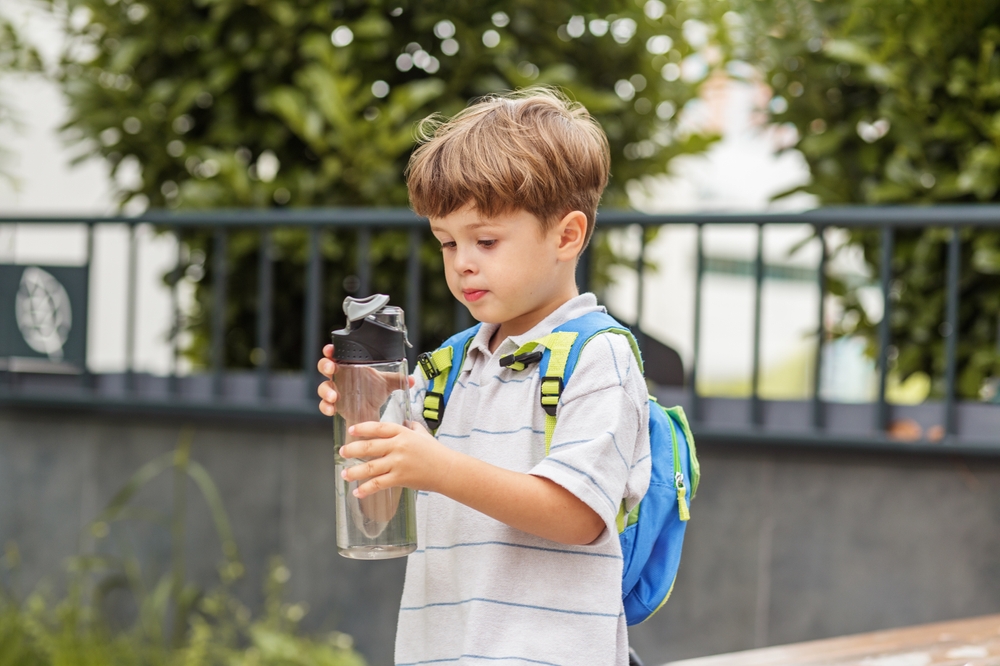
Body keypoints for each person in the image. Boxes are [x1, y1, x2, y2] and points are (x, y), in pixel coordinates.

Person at [317, 88, 651, 666]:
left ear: (567, 236)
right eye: (448, 243)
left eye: (486, 240)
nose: (462, 262)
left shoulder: (598, 358)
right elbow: (379, 518)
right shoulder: (446, 368)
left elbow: (577, 515)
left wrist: (438, 468)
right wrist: (367, 419)